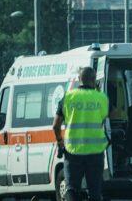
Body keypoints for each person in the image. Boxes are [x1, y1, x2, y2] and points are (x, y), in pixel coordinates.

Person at [53, 66, 109, 201]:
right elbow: (113, 115)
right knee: (95, 190)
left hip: (73, 152)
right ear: (94, 80)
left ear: (79, 79)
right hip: (95, 152)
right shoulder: (101, 98)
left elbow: (55, 126)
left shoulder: (68, 97)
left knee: (71, 188)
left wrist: (60, 142)